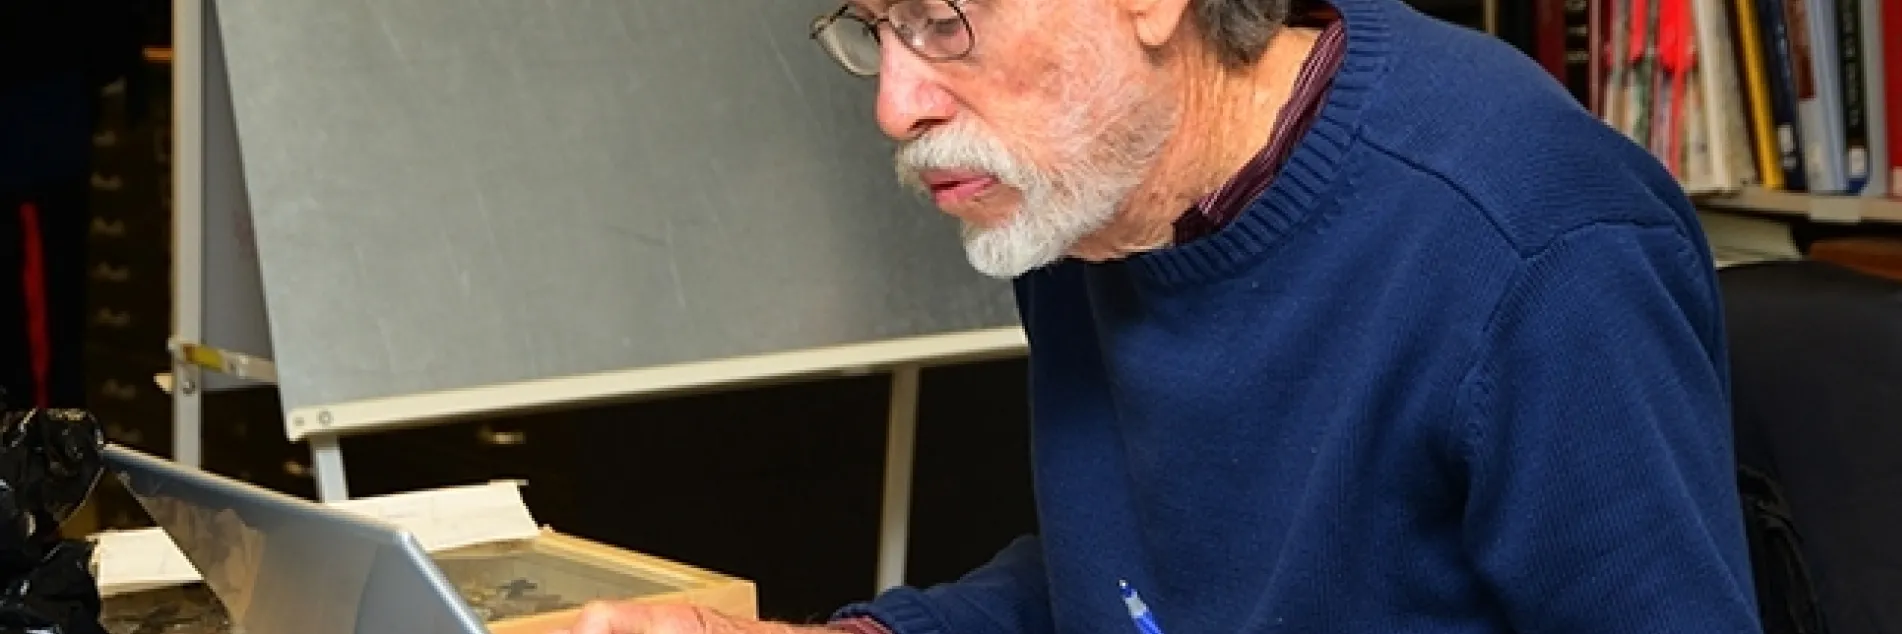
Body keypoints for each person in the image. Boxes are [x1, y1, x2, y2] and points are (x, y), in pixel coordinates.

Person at [561, 0, 1763, 631]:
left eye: (940, 18)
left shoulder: (1532, 241)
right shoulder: (1086, 189)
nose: (896, 102)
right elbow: (1135, 586)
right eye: (874, 27)